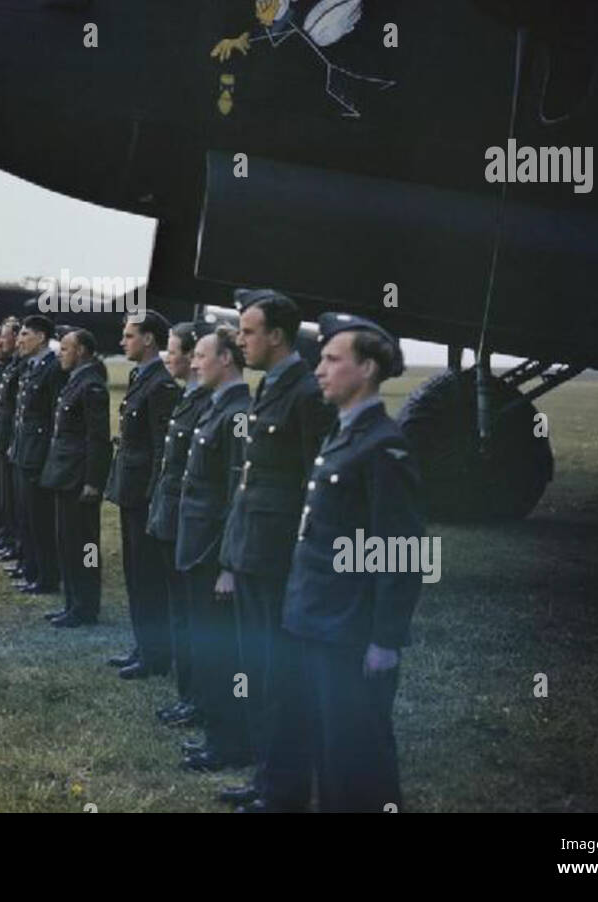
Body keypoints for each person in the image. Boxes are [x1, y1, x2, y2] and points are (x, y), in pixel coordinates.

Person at [258, 313, 423, 813]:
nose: (320, 370)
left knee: (354, 758)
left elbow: (402, 550)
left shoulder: (383, 446)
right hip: (313, 615)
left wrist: (385, 639)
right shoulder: (345, 433)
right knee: (311, 733)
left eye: (332, 360)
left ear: (368, 368)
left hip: (347, 628)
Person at [213, 289, 334, 807]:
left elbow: (316, 486)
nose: (240, 340)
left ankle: (282, 792)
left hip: (279, 560)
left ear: (277, 335)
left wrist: (306, 566)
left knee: (280, 677)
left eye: (248, 331)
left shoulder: (306, 394)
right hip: (253, 553)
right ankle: (266, 781)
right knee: (261, 671)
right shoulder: (272, 386)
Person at [175, 326, 252, 771]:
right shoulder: (216, 407)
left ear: (226, 359)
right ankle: (214, 730)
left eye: (202, 356)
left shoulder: (238, 412)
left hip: (212, 554)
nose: (194, 362)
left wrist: (228, 564)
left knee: (221, 651)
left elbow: (236, 496)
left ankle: (228, 744)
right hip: (197, 547)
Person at [105, 310, 180, 680]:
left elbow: (160, 449)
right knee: (135, 574)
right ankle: (142, 645)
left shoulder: (161, 385)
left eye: (130, 336)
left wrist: (153, 499)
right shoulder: (141, 377)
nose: (123, 342)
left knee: (148, 577)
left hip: (144, 497)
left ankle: (155, 654)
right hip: (131, 492)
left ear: (149, 339)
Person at [146, 323, 210, 726]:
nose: (169, 358)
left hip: (188, 522)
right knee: (180, 611)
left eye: (174, 351)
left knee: (191, 615)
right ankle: (188, 695)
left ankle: (197, 699)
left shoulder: (204, 402)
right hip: (172, 517)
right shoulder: (190, 398)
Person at [40, 328, 110, 627]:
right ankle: (73, 603)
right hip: (65, 476)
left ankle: (87, 605)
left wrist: (93, 481)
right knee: (68, 543)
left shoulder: (91, 385)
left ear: (82, 351)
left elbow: (98, 438)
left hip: (79, 479)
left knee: (86, 546)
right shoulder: (76, 381)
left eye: (66, 348)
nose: (60, 353)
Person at [6, 315, 66, 595]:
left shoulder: (53, 369)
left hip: (38, 456)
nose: (19, 340)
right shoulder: (31, 367)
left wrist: (50, 460)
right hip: (23, 452)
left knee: (40, 520)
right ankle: (31, 570)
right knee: (26, 517)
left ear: (41, 337)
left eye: (25, 334)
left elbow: (56, 418)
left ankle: (46, 577)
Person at [0, 319, 22, 567]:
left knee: (15, 499)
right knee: (4, 494)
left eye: (5, 336)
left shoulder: (19, 367)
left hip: (14, 441)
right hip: (1, 438)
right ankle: (8, 538)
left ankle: (16, 544)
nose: (0, 341)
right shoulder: (9, 366)